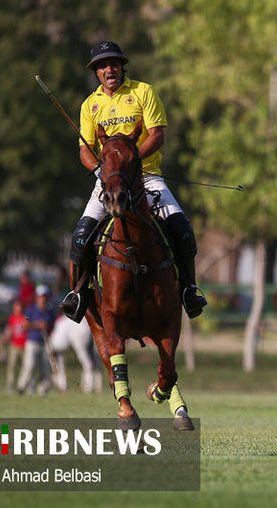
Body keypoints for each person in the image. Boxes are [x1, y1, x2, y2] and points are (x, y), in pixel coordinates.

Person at [60, 41, 206, 322]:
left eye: (113, 63)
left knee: (182, 231)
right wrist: (102, 171)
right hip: (107, 183)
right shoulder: (90, 105)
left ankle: (190, 289)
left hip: (147, 178)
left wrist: (129, 163)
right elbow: (84, 150)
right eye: (102, 66)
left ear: (122, 67)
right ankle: (78, 294)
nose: (109, 69)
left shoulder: (143, 92)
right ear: (97, 72)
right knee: (80, 239)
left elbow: (156, 135)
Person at [16, 285, 54, 395]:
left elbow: (53, 326)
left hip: (45, 342)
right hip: (32, 341)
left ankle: (43, 388)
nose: (44, 298)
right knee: (30, 365)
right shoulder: (30, 310)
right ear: (37, 297)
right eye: (42, 296)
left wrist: (47, 326)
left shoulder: (50, 312)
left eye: (45, 296)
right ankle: (21, 386)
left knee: (45, 367)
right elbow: (24, 325)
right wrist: (37, 325)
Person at [4, 300, 27, 392]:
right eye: (16, 306)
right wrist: (6, 338)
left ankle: (28, 384)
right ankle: (10, 384)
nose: (18, 308)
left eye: (20, 306)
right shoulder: (12, 318)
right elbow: (9, 329)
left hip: (24, 344)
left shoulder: (25, 317)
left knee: (27, 365)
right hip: (14, 344)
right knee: (12, 366)